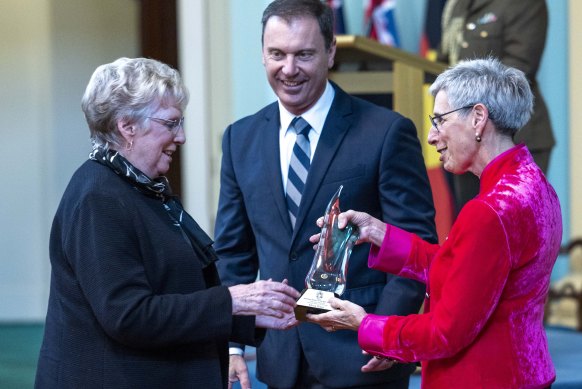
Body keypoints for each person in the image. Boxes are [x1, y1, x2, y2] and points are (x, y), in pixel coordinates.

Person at [35, 57, 301, 389]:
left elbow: (177, 293)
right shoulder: (98, 197)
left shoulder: (143, 187)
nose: (182, 137)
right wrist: (233, 301)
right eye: (171, 123)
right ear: (127, 126)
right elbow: (128, 315)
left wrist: (252, 316)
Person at [214, 0, 437, 388]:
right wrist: (232, 343)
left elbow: (415, 243)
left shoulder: (386, 132)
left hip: (364, 357)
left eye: (304, 54)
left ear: (330, 51)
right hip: (280, 358)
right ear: (262, 54)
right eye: (276, 54)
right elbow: (234, 251)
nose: (289, 69)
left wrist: (384, 332)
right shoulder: (240, 138)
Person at [307, 57, 562, 388]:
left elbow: (445, 333)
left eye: (439, 120)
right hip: (523, 372)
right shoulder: (534, 183)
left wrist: (364, 323)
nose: (431, 136)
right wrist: (379, 233)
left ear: (478, 118)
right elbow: (465, 274)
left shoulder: (488, 211)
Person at [438, 0, 555, 213]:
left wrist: (464, 93)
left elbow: (519, 68)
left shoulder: (525, 4)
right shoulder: (458, 4)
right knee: (472, 228)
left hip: (513, 135)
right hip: (464, 134)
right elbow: (445, 59)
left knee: (516, 230)